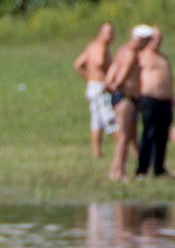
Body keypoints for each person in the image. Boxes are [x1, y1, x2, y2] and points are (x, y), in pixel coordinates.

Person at [105, 25, 154, 181]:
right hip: (126, 98)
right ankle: (119, 172)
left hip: (123, 98)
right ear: (139, 40)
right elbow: (122, 76)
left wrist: (110, 85)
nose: (148, 44)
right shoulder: (132, 54)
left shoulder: (122, 50)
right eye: (147, 41)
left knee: (128, 136)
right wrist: (118, 86)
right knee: (124, 137)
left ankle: (117, 169)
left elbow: (110, 74)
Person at [73, 22, 118, 158]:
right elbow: (98, 62)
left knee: (96, 121)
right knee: (110, 120)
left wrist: (89, 78)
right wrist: (106, 78)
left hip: (93, 86)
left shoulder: (91, 46)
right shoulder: (101, 48)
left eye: (112, 33)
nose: (111, 36)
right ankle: (124, 148)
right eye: (108, 33)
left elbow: (78, 64)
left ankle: (96, 153)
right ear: (101, 33)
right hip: (100, 87)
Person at [136, 28, 173, 177]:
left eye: (159, 38)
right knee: (148, 133)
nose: (156, 41)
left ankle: (159, 168)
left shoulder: (163, 57)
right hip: (149, 98)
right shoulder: (142, 56)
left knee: (162, 135)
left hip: (165, 101)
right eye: (153, 38)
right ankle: (142, 169)